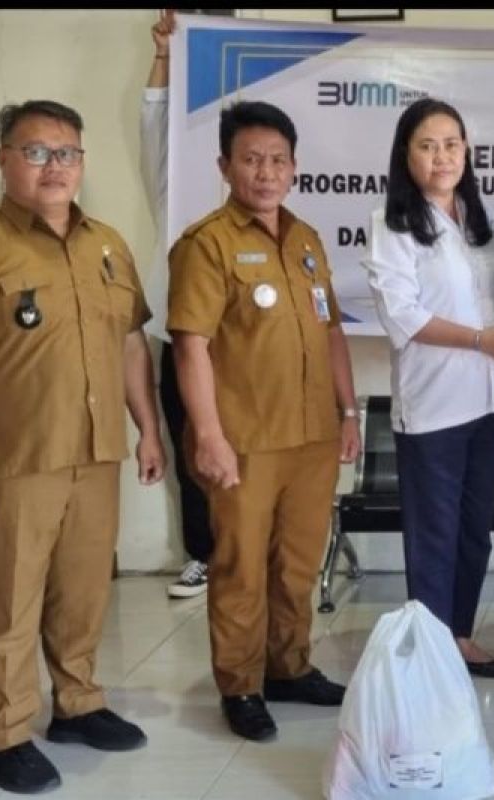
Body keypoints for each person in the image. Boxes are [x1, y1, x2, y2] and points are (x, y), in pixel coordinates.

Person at [0, 99, 166, 794]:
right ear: (3, 161)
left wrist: (147, 428)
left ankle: (78, 705)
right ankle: (3, 734)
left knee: (83, 594)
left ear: (83, 162)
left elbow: (129, 345)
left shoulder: (107, 244)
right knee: (9, 604)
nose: (55, 166)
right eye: (36, 152)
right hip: (14, 463)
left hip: (94, 454)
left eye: (68, 153)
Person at [168, 99, 360, 742]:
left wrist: (349, 411)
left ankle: (288, 667)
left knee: (297, 565)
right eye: (251, 159)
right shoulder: (206, 245)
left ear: (294, 167)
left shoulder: (305, 239)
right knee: (241, 567)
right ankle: (241, 684)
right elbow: (191, 346)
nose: (265, 172)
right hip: (244, 441)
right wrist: (210, 436)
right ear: (225, 165)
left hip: (312, 436)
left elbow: (331, 331)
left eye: (277, 160)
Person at [363, 98, 494, 679]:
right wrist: (484, 340)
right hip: (434, 404)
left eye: (452, 144)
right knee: (434, 534)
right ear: (405, 154)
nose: (442, 156)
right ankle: (432, 655)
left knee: (473, 532)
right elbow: (403, 317)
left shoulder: (483, 223)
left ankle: (459, 637)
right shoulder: (392, 228)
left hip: (491, 400)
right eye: (427, 145)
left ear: (468, 150)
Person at [141, 9, 213, 599]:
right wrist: (166, 56)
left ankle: (248, 551)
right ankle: (202, 554)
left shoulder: (255, 192)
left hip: (246, 341)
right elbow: (154, 121)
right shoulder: (172, 180)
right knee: (190, 444)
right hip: (178, 333)